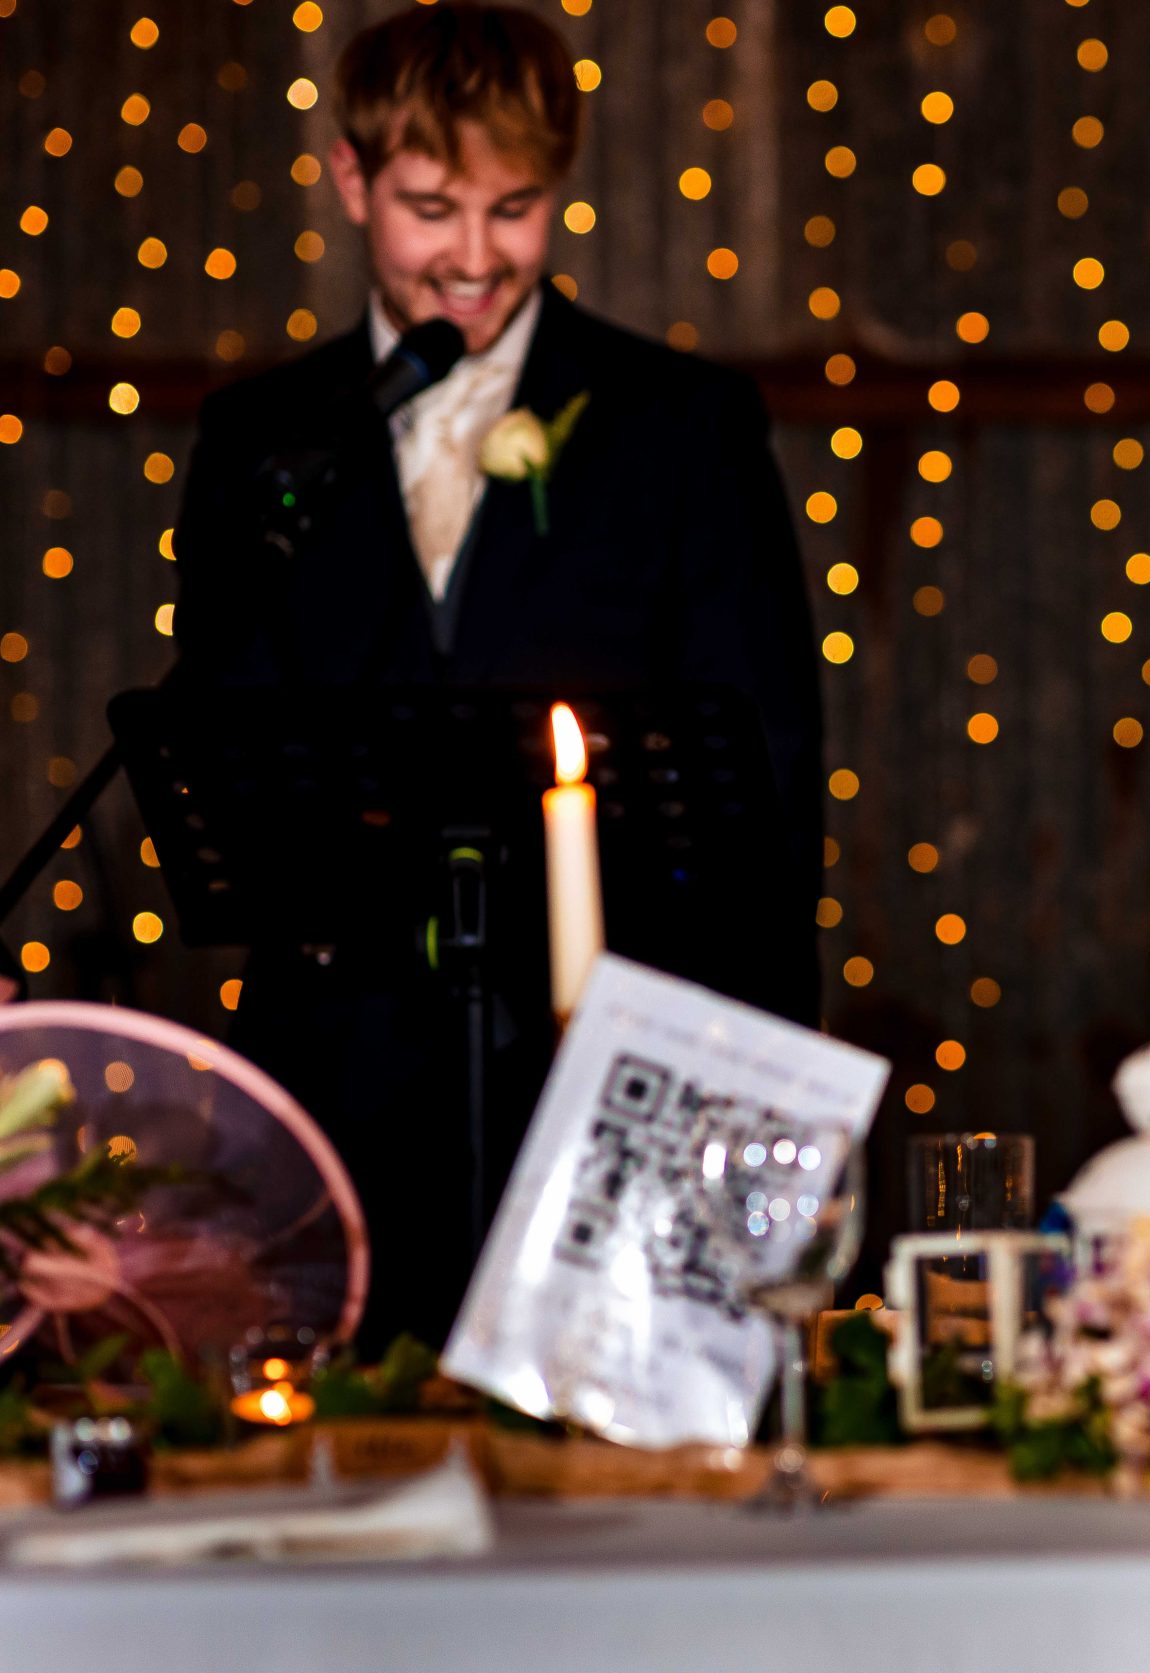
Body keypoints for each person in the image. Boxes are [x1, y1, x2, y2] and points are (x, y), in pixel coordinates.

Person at [170, 3, 820, 1344]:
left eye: (514, 209)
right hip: (342, 1079)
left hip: (605, 1083)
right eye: (429, 208)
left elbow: (766, 785)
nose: (475, 260)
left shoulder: (683, 429)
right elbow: (232, 756)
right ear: (351, 181)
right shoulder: (257, 440)